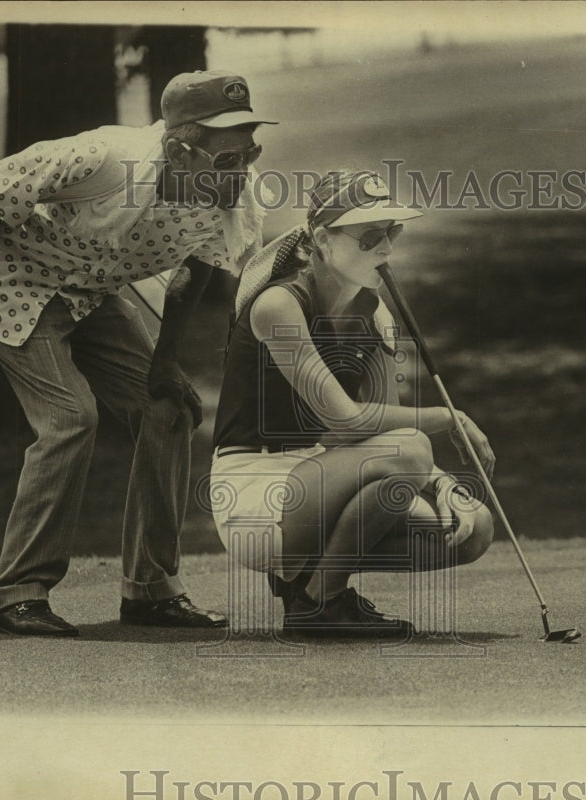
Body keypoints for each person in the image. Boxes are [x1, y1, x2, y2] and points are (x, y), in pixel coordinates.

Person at [0, 69, 277, 636]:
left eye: (249, 153)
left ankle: (150, 591)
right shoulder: (105, 159)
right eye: (227, 160)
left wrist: (165, 363)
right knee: (71, 418)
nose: (241, 171)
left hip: (89, 293)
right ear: (177, 148)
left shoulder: (233, 196)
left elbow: (191, 275)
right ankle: (16, 593)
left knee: (169, 411)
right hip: (9, 278)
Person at [209, 169, 496, 638]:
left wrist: (441, 484)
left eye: (392, 233)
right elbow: (340, 418)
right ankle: (321, 600)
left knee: (472, 527)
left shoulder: (373, 312)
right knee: (411, 452)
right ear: (322, 239)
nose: (386, 247)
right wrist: (451, 417)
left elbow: (380, 432)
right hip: (254, 490)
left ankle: (312, 588)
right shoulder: (278, 305)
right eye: (369, 236)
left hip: (322, 474)